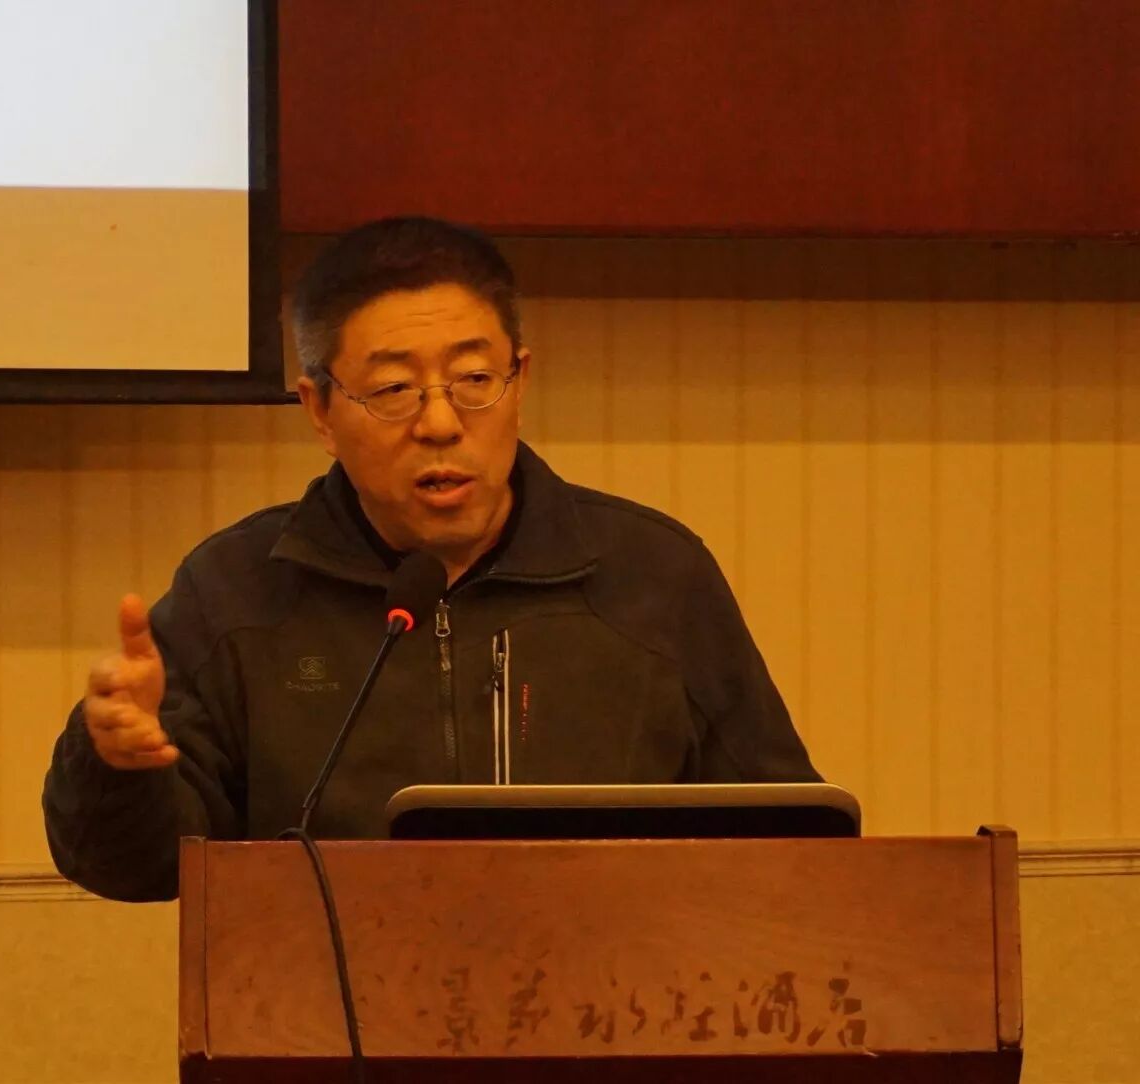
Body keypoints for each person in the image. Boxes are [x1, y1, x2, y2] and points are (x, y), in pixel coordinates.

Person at [42, 217, 820, 902]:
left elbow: (793, 843)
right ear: (320, 411)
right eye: (393, 389)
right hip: (324, 1015)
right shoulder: (236, 591)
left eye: (475, 380)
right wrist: (116, 764)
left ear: (520, 381)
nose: (442, 422)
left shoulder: (652, 576)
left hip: (615, 1007)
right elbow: (134, 869)